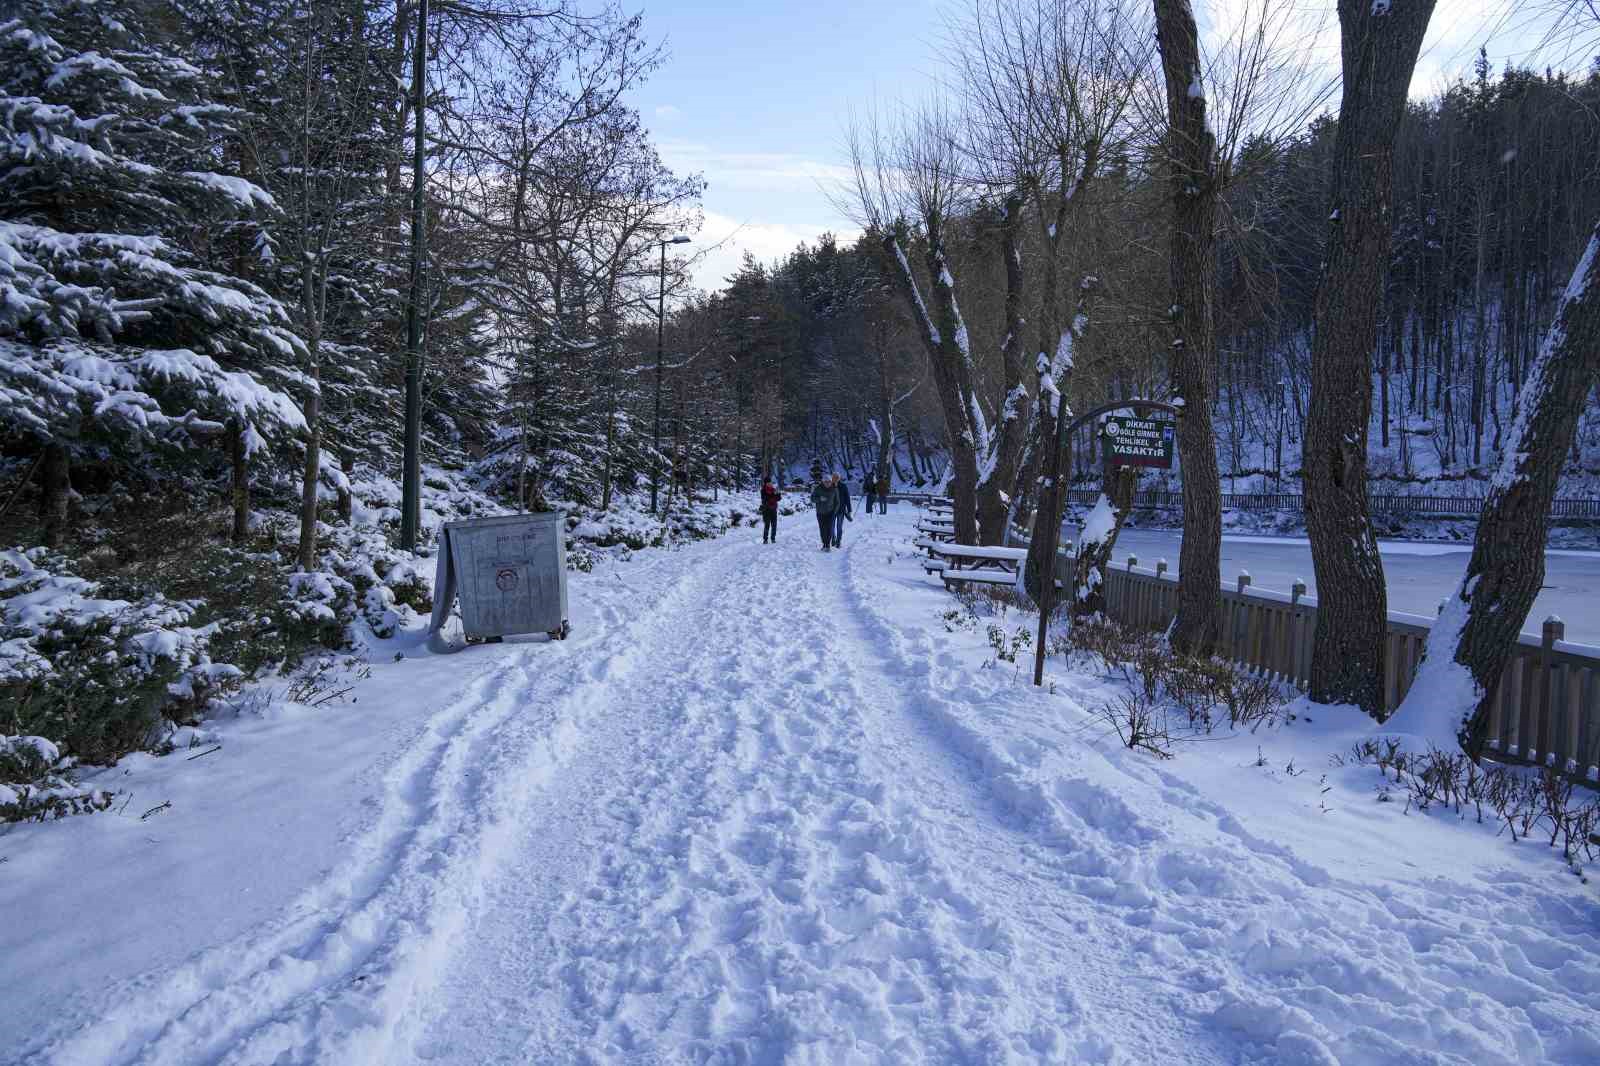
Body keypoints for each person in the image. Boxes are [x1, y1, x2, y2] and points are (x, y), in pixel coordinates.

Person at [810, 476, 837, 551]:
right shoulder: (818, 489)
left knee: (829, 528)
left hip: (830, 513)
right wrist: (819, 499)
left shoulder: (834, 489)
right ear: (823, 482)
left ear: (831, 482)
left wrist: (834, 511)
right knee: (822, 529)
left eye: (829, 482)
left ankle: (828, 545)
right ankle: (824, 543)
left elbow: (837, 502)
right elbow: (812, 498)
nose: (827, 483)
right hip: (820, 513)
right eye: (826, 482)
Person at [831, 473, 852, 548]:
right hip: (831, 510)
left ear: (839, 478)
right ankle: (833, 539)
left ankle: (838, 541)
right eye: (834, 477)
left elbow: (847, 498)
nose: (835, 479)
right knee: (831, 526)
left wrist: (849, 509)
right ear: (832, 478)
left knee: (839, 526)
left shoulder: (843, 486)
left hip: (841, 509)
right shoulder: (829, 486)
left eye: (837, 477)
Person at [759, 478, 780, 543]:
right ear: (765, 483)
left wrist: (778, 493)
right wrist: (774, 497)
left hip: (773, 509)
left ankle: (773, 538)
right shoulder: (763, 490)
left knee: (774, 525)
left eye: (770, 482)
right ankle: (765, 539)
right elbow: (765, 499)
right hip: (766, 510)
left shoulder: (774, 489)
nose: (770, 484)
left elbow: (778, 498)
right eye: (768, 483)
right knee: (767, 525)